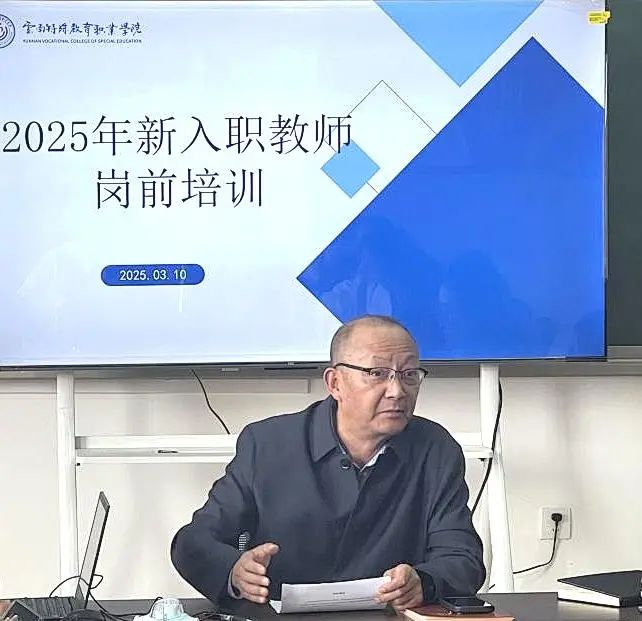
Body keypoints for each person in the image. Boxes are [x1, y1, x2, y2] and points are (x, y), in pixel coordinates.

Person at [171, 315, 485, 610]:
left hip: (385, 616)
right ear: (335, 383)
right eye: (377, 374)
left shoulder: (435, 449)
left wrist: (424, 582)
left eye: (409, 375)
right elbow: (193, 543)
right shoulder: (267, 444)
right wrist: (234, 572)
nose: (397, 391)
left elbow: (463, 558)